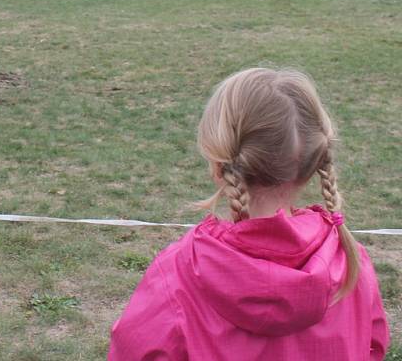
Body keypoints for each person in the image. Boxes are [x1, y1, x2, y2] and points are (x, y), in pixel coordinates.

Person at [108, 68, 389, 360]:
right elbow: (373, 347)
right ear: (313, 167)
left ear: (219, 168)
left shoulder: (179, 274)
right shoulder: (351, 262)